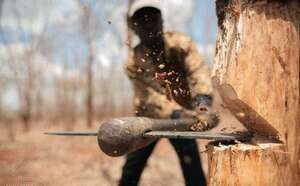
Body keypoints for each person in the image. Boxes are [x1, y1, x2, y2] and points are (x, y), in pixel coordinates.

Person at [119, 1, 218, 185]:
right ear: (134, 27)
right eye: (142, 21)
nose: (148, 24)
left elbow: (198, 71)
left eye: (152, 18)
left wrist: (202, 102)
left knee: (192, 166)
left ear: (162, 21)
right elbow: (149, 97)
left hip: (183, 119)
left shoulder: (180, 43)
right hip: (148, 119)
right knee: (132, 168)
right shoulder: (132, 62)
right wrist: (177, 113)